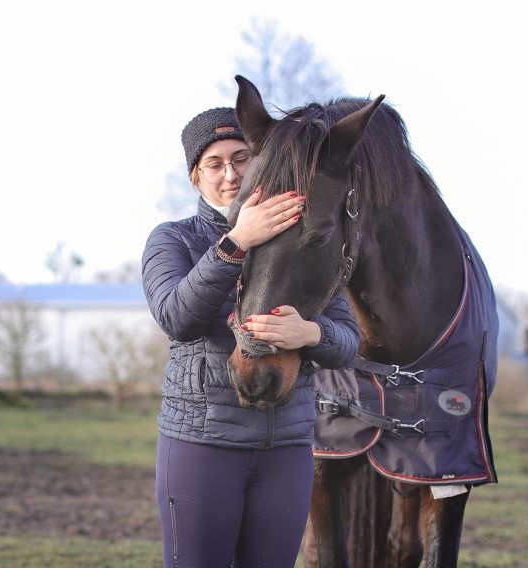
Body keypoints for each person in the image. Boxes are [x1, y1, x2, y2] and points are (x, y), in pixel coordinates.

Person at [141, 106, 359, 568]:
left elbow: (348, 342)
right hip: (202, 446)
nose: (230, 173)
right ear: (195, 177)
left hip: (287, 450)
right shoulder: (172, 240)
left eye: (241, 158)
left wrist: (311, 333)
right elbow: (178, 317)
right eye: (214, 164)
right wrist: (236, 241)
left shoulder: (303, 237)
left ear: (259, 161)